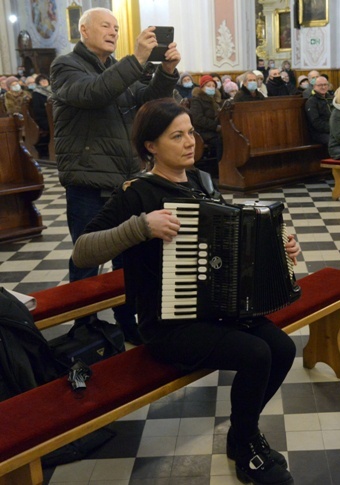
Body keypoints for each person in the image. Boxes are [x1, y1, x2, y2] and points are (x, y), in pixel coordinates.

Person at [71, 98, 298, 485]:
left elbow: (235, 243)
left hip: (217, 310)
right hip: (168, 325)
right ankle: (244, 446)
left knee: (283, 348)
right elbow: (83, 250)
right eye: (177, 135)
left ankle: (243, 432)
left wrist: (280, 248)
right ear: (150, 146)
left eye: (190, 132)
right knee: (257, 353)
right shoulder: (137, 194)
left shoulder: (201, 184)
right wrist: (140, 227)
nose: (190, 141)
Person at [50, 7, 180, 344]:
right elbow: (94, 93)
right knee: (87, 255)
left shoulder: (115, 68)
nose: (113, 31)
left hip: (123, 179)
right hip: (88, 182)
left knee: (128, 256)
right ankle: (84, 326)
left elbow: (141, 99)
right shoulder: (66, 66)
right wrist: (136, 59)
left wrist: (165, 72)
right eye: (105, 26)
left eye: (116, 27)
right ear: (84, 30)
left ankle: (129, 322)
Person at [190, 75, 223, 169]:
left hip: (216, 129)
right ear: (202, 87)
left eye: (213, 86)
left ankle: (228, 167)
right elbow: (198, 119)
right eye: (208, 86)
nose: (212, 88)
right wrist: (215, 126)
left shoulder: (217, 100)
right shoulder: (197, 100)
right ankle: (219, 168)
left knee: (229, 138)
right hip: (203, 131)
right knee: (220, 141)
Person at [305, 76, 332, 145]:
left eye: (325, 84)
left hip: (334, 129)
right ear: (314, 87)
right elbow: (316, 123)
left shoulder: (331, 98)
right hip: (319, 133)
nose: (323, 87)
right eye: (320, 85)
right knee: (336, 141)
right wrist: (334, 127)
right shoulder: (311, 101)